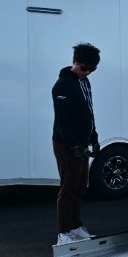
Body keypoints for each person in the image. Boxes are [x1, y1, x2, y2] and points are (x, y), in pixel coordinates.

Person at [52, 43, 101, 245]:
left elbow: (89, 112)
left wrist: (94, 138)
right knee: (68, 187)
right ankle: (64, 233)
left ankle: (75, 226)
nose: (87, 72)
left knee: (80, 187)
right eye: (83, 68)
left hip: (82, 143)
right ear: (74, 61)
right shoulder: (62, 85)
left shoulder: (85, 83)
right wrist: (74, 145)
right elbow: (63, 121)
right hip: (66, 144)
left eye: (92, 69)